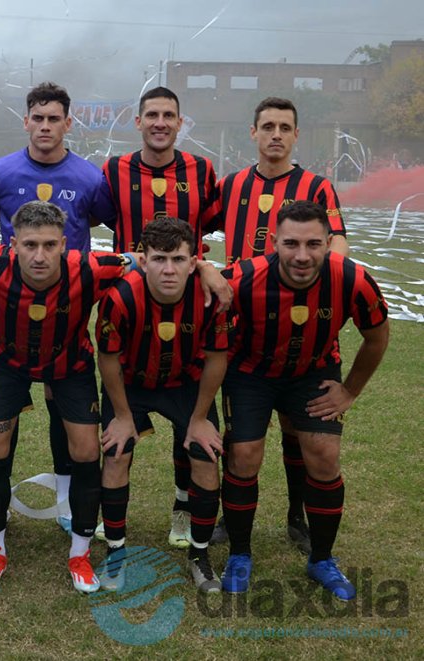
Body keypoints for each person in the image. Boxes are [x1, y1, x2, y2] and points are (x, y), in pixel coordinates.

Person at [0, 200, 132, 594]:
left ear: (65, 244)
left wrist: (205, 272)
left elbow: (147, 261)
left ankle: (80, 552)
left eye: (48, 245)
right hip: (6, 364)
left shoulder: (91, 268)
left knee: (85, 452)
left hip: (70, 367)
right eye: (29, 245)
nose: (39, 255)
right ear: (12, 244)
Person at [218, 201, 388, 600]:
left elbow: (377, 336)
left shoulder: (352, 279)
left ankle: (322, 559)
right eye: (291, 243)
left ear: (330, 243)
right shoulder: (244, 278)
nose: (301, 255)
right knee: (244, 455)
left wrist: (349, 391)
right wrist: (208, 270)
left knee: (324, 454)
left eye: (314, 244)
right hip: (251, 373)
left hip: (313, 371)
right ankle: (240, 554)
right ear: (273, 241)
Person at [0, 81, 117, 533]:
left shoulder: (90, 178)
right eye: (38, 117)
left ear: (68, 123)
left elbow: (109, 224)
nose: (46, 126)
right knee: (3, 417)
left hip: (68, 307)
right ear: (26, 121)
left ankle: (65, 498)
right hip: (13, 306)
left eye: (55, 118)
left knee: (64, 406)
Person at [209, 97, 351, 553]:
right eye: (267, 126)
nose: (275, 134)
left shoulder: (317, 187)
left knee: (298, 429)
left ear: (295, 135)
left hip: (299, 323)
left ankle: (297, 516)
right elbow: (195, 229)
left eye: (284, 127)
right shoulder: (230, 185)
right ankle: (234, 523)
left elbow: (339, 248)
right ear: (252, 133)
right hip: (243, 329)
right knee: (241, 438)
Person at [101, 86, 219, 548]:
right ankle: (104, 517)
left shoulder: (201, 170)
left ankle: (183, 508)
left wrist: (201, 267)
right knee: (117, 417)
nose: (160, 122)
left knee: (186, 405)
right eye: (151, 114)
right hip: (130, 302)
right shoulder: (114, 170)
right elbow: (97, 217)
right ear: (138, 121)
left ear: (179, 121)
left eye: (168, 115)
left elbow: (208, 228)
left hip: (185, 296)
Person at [95, 217, 229, 592]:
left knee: (205, 456)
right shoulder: (119, 297)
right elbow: (107, 358)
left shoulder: (210, 297)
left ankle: (200, 556)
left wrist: (200, 418)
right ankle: (116, 551)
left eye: (178, 259)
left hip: (185, 384)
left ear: (193, 261)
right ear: (142, 258)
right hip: (131, 384)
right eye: (158, 259)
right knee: (117, 452)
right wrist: (123, 416)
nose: (168, 269)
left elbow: (218, 358)